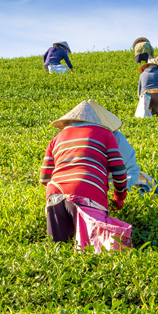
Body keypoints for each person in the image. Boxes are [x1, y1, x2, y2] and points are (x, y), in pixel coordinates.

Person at [40, 100, 128, 244]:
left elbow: (44, 178)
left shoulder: (56, 139)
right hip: (88, 194)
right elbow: (119, 171)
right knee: (92, 252)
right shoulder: (105, 134)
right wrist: (119, 197)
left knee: (56, 250)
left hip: (55, 194)